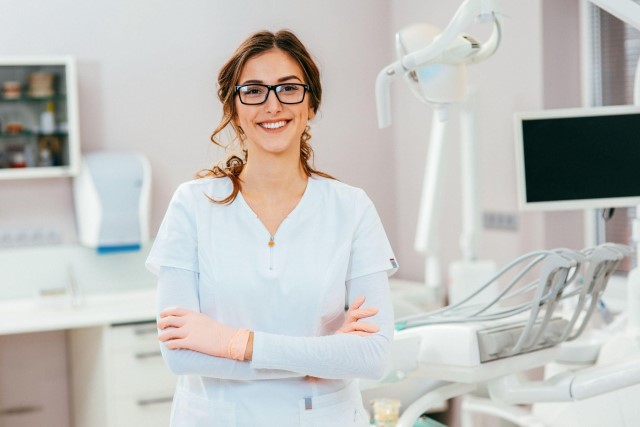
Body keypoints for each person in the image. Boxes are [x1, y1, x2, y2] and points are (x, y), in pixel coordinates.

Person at [146, 29, 398, 427]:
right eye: (253, 90)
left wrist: (233, 343)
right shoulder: (192, 205)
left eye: (289, 88)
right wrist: (325, 355)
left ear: (311, 103)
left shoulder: (351, 208)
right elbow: (179, 355)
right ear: (234, 107)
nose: (272, 104)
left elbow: (374, 356)